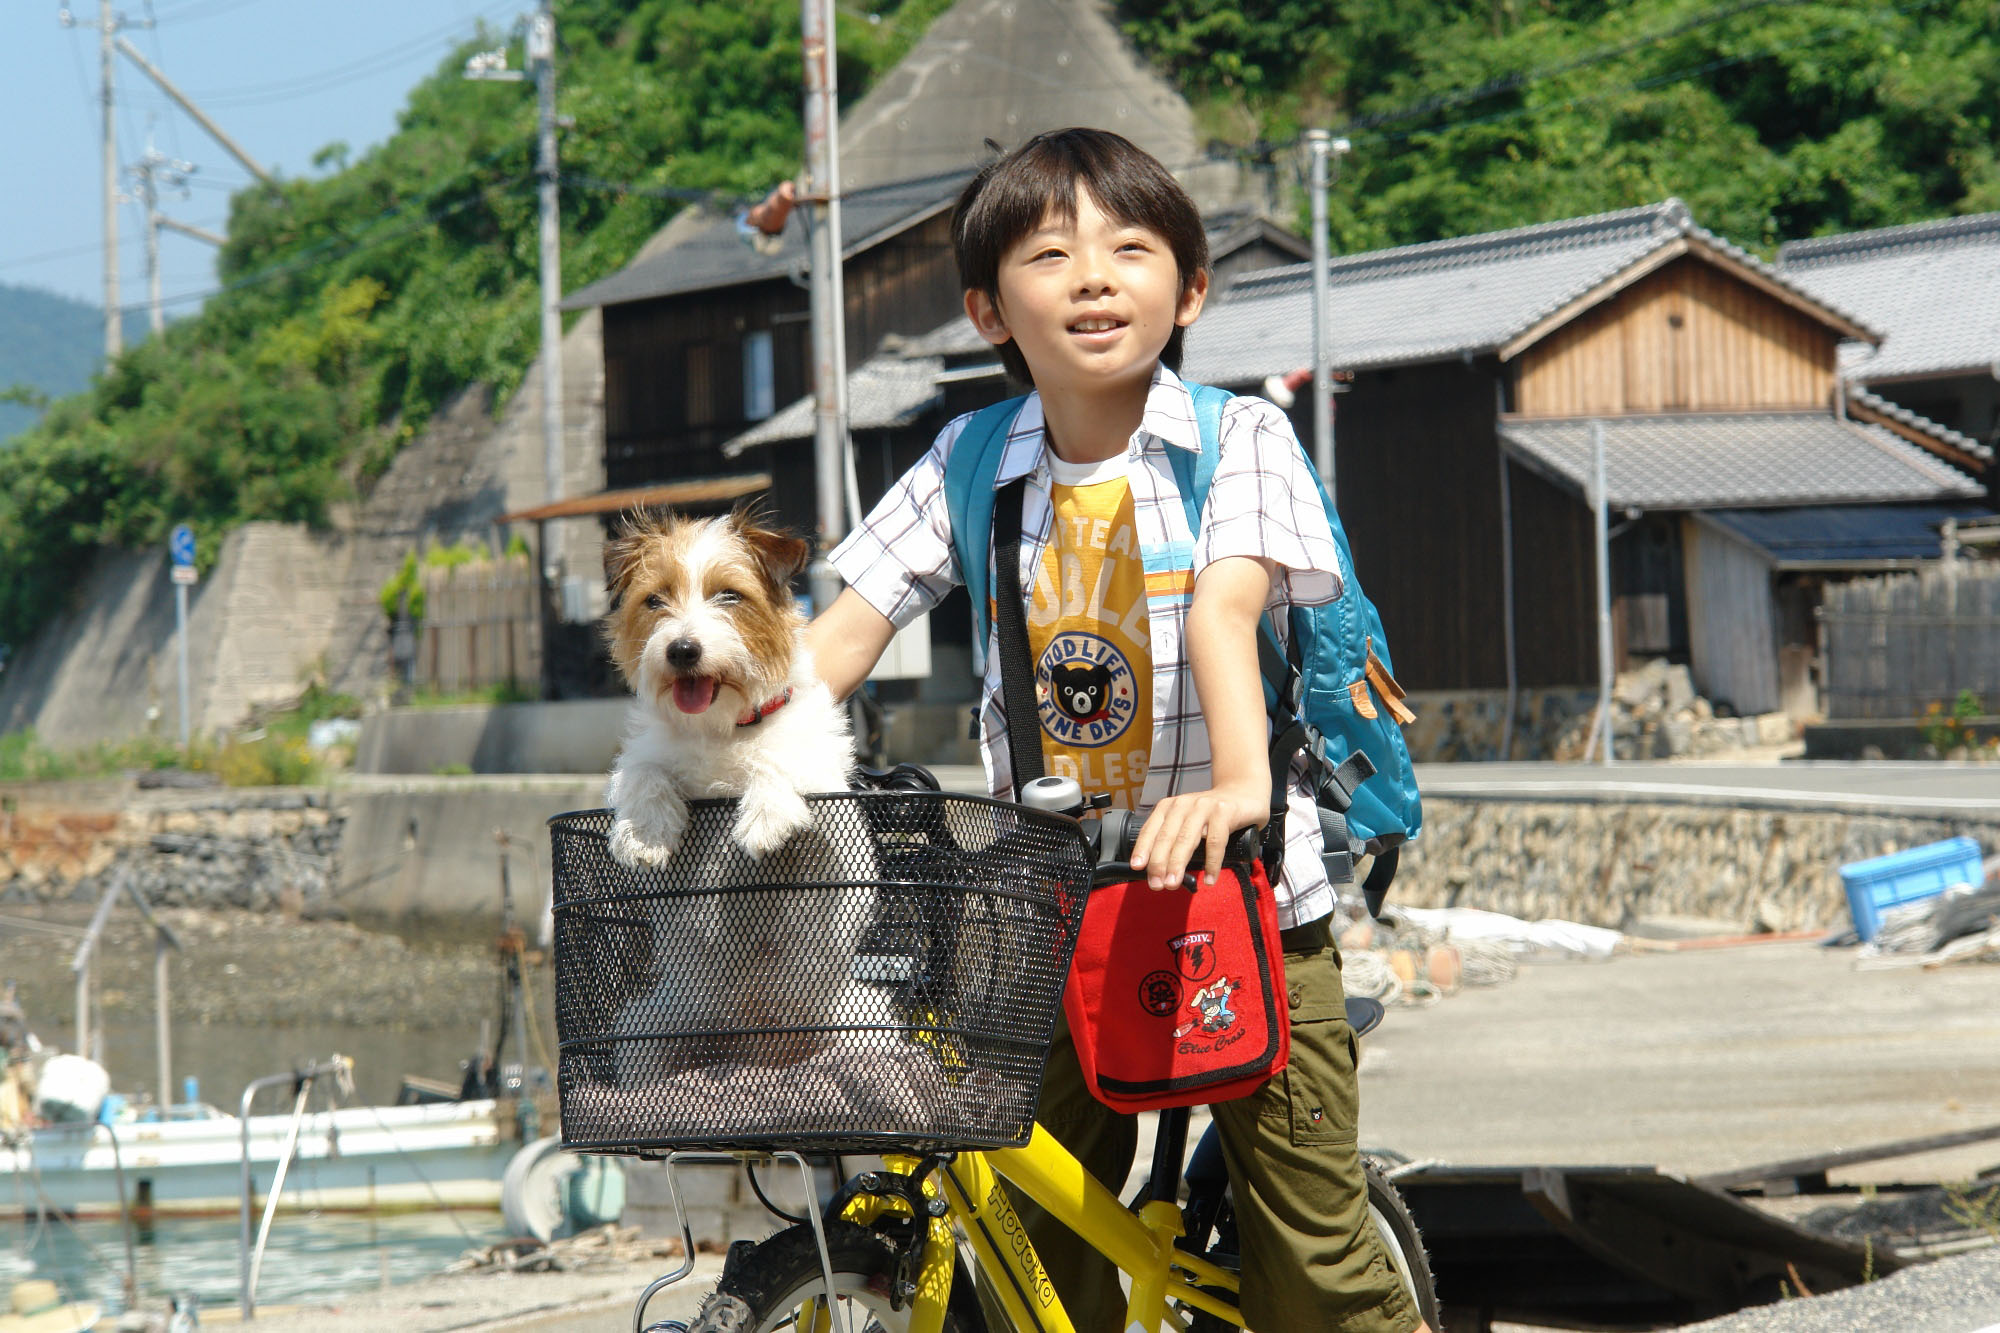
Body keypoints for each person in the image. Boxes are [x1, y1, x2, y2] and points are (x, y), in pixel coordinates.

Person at [807, 127, 1426, 1333]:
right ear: (990, 310)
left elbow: (1223, 603)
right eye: (1049, 255)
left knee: (1312, 1257)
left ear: (1187, 288)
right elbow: (845, 627)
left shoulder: (1237, 438)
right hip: (1054, 911)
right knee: (1039, 1252)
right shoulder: (968, 459)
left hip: (1246, 902)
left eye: (1128, 248)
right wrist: (724, 751)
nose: (1092, 277)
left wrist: (1240, 780)